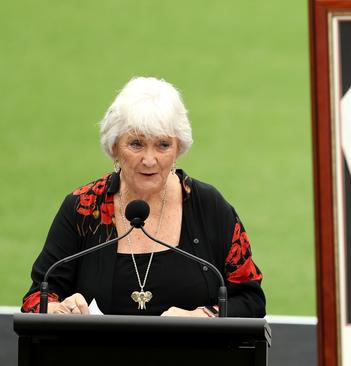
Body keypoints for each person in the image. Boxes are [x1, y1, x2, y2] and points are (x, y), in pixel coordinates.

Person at [21, 77, 266, 317]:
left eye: (162, 145)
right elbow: (37, 298)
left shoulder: (210, 206)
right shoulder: (83, 208)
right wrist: (59, 308)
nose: (149, 160)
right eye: (137, 144)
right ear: (114, 147)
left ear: (178, 148)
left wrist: (203, 316)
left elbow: (251, 300)